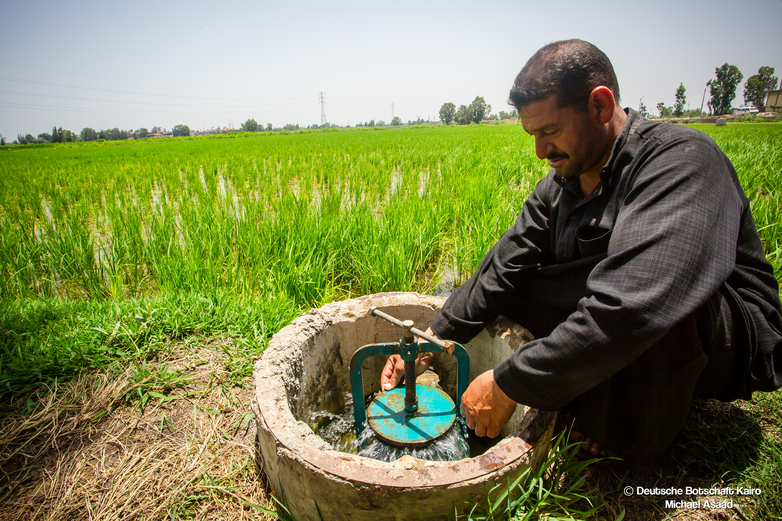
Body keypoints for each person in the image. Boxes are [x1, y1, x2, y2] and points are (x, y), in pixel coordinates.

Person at [381, 39, 782, 462]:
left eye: (550, 132)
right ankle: (591, 385)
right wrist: (428, 343)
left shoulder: (681, 161)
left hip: (718, 332)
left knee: (651, 299)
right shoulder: (560, 185)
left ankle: (624, 431)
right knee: (513, 286)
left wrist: (508, 383)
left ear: (601, 106)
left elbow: (635, 305)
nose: (540, 151)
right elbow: (501, 269)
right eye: (532, 135)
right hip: (626, 298)